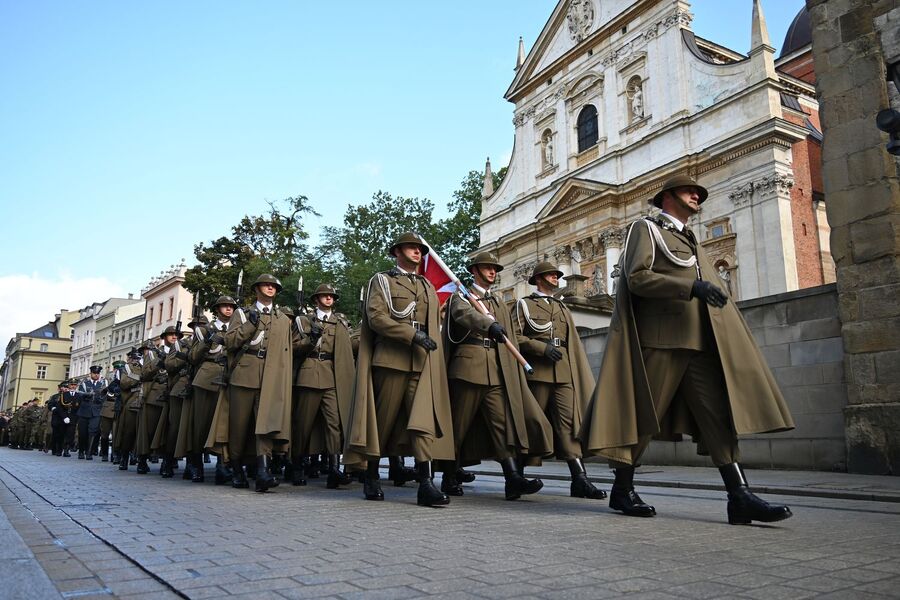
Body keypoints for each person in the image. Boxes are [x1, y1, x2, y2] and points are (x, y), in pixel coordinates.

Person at [580, 175, 795, 524]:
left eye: (699, 193)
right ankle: (622, 490)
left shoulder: (690, 239)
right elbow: (636, 278)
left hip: (699, 341)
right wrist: (690, 286)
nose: (697, 196)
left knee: (718, 418)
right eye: (689, 191)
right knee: (642, 417)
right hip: (661, 338)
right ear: (667, 197)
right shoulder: (646, 230)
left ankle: (739, 495)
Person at [344, 231, 455, 506]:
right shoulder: (381, 280)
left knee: (422, 422)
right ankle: (371, 474)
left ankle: (426, 483)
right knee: (383, 420)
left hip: (420, 361)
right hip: (391, 359)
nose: (418, 252)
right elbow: (377, 318)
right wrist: (411, 335)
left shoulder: (427, 286)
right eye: (411, 247)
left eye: (420, 248)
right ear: (397, 251)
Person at [440, 251, 554, 500]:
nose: (493, 271)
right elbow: (463, 315)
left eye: (495, 268)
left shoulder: (500, 302)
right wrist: (487, 325)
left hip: (496, 371)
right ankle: (449, 475)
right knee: (459, 427)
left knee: (504, 427)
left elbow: (512, 335)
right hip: (468, 369)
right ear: (474, 270)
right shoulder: (462, 296)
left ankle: (513, 478)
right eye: (487, 267)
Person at [514, 262, 607, 500]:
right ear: (538, 279)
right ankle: (515, 477)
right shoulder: (524, 304)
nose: (556, 278)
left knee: (568, 426)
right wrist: (539, 348)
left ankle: (580, 480)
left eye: (557, 275)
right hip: (538, 372)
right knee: (532, 424)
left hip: (563, 372)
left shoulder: (562, 307)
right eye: (551, 275)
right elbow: (514, 337)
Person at [207, 274, 296, 492]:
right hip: (245, 374)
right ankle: (236, 469)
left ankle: (263, 471)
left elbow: (287, 352)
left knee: (265, 424)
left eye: (274, 286)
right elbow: (230, 342)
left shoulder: (283, 320)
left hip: (271, 375)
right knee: (239, 425)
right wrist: (250, 325)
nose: (270, 288)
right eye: (266, 285)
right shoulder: (243, 314)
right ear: (256, 289)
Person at [291, 284, 355, 489]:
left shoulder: (340, 323)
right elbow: (294, 348)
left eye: (331, 296)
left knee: (334, 423)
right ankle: (298, 465)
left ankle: (334, 468)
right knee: (303, 424)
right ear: (316, 299)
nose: (328, 299)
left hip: (330, 375)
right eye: (324, 296)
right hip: (309, 372)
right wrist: (312, 339)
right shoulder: (304, 321)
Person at [188, 296, 236, 484]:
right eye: (224, 306)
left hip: (229, 377)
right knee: (201, 424)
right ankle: (196, 465)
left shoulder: (237, 328)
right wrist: (206, 342)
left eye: (231, 306)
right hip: (207, 378)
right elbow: (192, 357)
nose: (228, 309)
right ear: (217, 309)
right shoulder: (205, 330)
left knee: (225, 425)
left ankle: (222, 466)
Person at [137, 336, 168, 475]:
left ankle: (167, 463)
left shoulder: (181, 350)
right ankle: (142, 460)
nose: (174, 337)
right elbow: (144, 373)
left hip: (172, 393)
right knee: (148, 430)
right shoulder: (153, 354)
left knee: (169, 431)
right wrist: (159, 361)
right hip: (154, 396)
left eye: (177, 335)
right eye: (171, 334)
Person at [115, 348, 144, 471]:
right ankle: (124, 457)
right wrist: (140, 377)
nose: (136, 360)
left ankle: (142, 460)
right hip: (132, 400)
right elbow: (124, 383)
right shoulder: (127, 368)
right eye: (134, 358)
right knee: (128, 432)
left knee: (144, 433)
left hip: (147, 400)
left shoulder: (149, 365)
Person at [76, 366, 106, 460]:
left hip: (96, 411)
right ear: (91, 374)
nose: (96, 375)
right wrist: (86, 395)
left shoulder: (102, 384)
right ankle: (81, 451)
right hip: (84, 411)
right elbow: (79, 395)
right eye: (94, 373)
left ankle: (89, 452)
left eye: (97, 373)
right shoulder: (84, 384)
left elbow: (105, 396)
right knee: (83, 433)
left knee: (92, 432)